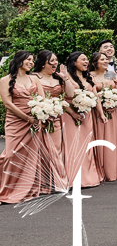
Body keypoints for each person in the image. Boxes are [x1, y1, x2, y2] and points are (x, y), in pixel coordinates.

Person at [0, 52, 51, 203]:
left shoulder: (34, 79)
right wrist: (27, 118)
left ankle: (26, 188)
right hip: (15, 121)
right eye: (28, 59)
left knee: (30, 155)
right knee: (10, 155)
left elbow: (42, 100)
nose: (31, 62)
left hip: (34, 121)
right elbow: (8, 104)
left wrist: (40, 116)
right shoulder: (5, 80)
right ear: (19, 60)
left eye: (32, 60)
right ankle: (6, 188)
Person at [35, 51, 72, 186]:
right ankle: (42, 182)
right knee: (39, 150)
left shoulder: (58, 78)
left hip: (55, 118)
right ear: (42, 63)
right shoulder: (34, 77)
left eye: (56, 60)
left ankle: (59, 181)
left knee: (56, 150)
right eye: (52, 60)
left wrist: (66, 78)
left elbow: (70, 95)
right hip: (39, 117)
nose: (55, 63)